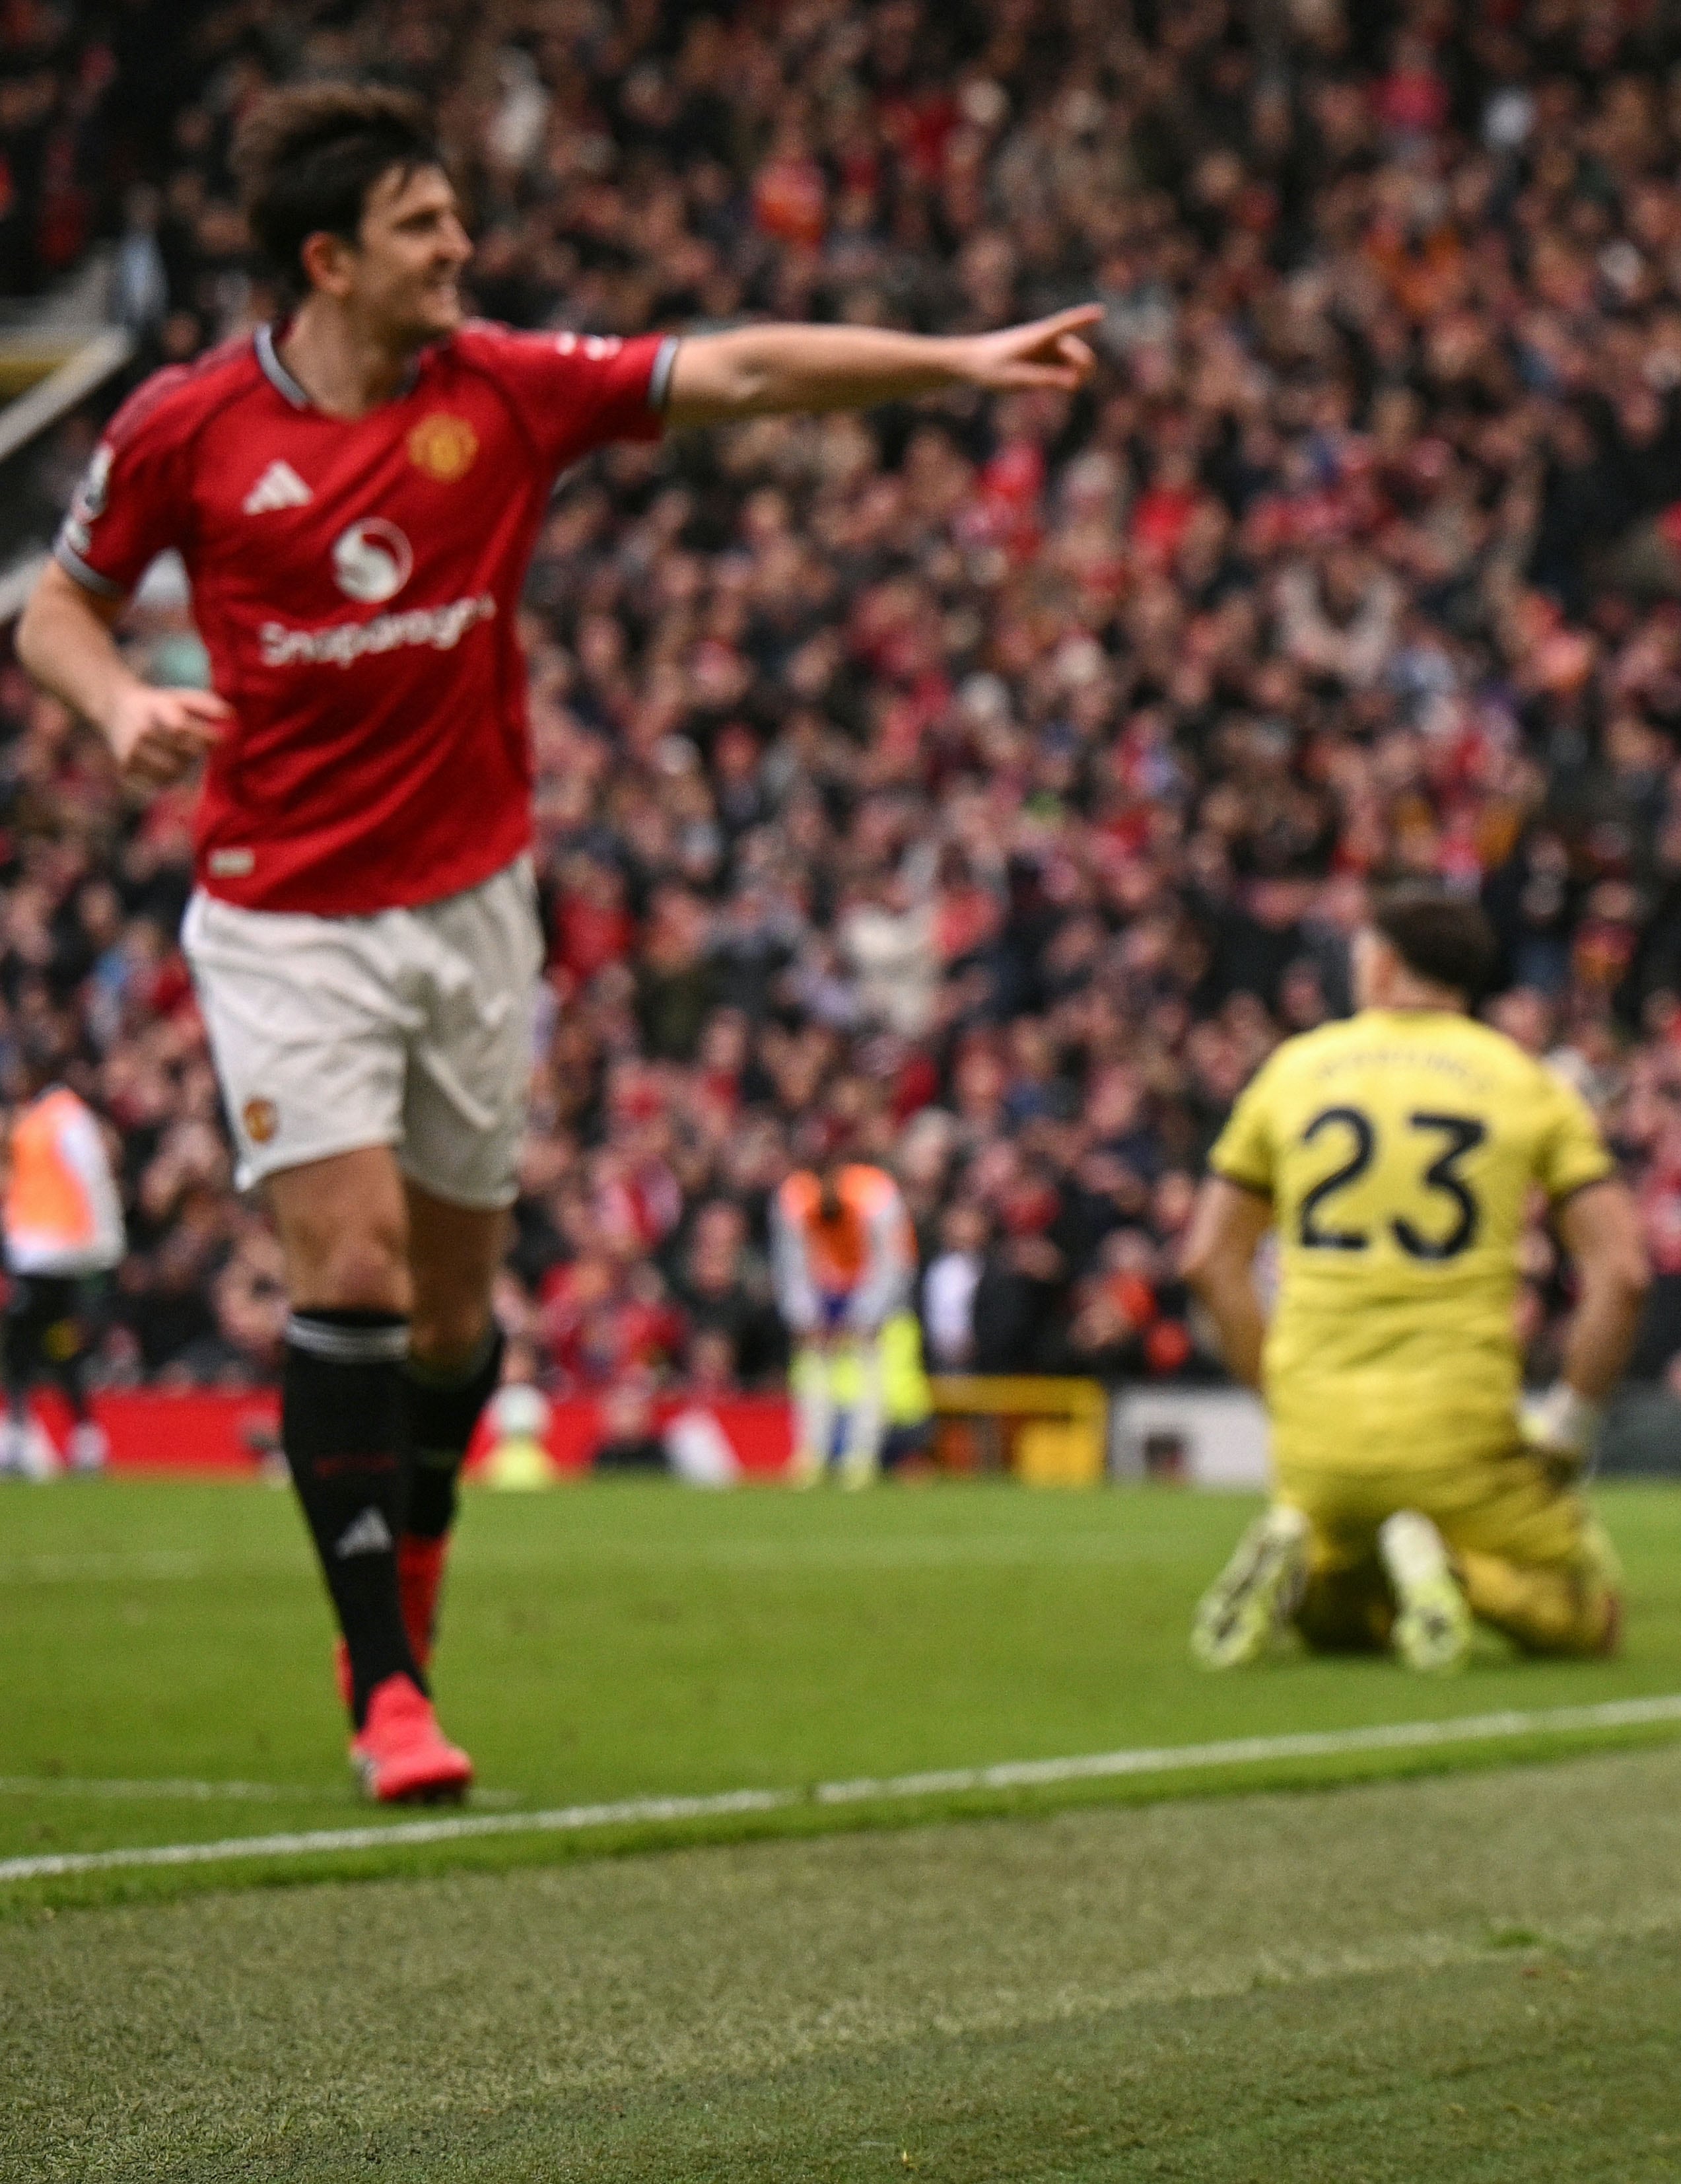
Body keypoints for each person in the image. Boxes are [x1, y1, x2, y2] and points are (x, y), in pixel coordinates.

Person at [15, 84, 1100, 1803]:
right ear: (330, 259)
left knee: (454, 1323)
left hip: (472, 913)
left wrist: (959, 364)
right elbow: (56, 603)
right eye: (426, 226)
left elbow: (734, 370)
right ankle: (383, 1684)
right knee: (352, 1271)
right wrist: (113, 703)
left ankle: (413, 1576)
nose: (462, 245)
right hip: (284, 916)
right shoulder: (187, 427)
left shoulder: (503, 392)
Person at [1179, 889, 1651, 1672]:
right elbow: (1622, 1272)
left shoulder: (1293, 1071)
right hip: (1458, 1437)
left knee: (1341, 1613)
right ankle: (1459, 1571)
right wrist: (1567, 1431)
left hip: (1315, 1444)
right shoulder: (1523, 1082)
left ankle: (1311, 1556)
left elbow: (1207, 1261)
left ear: (1385, 963)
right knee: (1587, 1616)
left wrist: (1281, 1393)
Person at [3, 1076, 125, 1478]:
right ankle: (69, 1436)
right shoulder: (48, 1119)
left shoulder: (65, 1119)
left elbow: (92, 1181)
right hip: (40, 1250)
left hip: (52, 1253)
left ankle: (30, 1435)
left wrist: (108, 1245)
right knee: (51, 1343)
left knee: (32, 1342)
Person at [770, 1160, 912, 1488]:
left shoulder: (876, 1194)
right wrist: (805, 1315)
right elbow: (790, 1261)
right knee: (811, 1371)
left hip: (868, 1284)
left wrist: (868, 1314)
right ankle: (810, 1456)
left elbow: (893, 1261)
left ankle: (860, 1460)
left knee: (870, 1373)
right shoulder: (795, 1197)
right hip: (824, 1285)